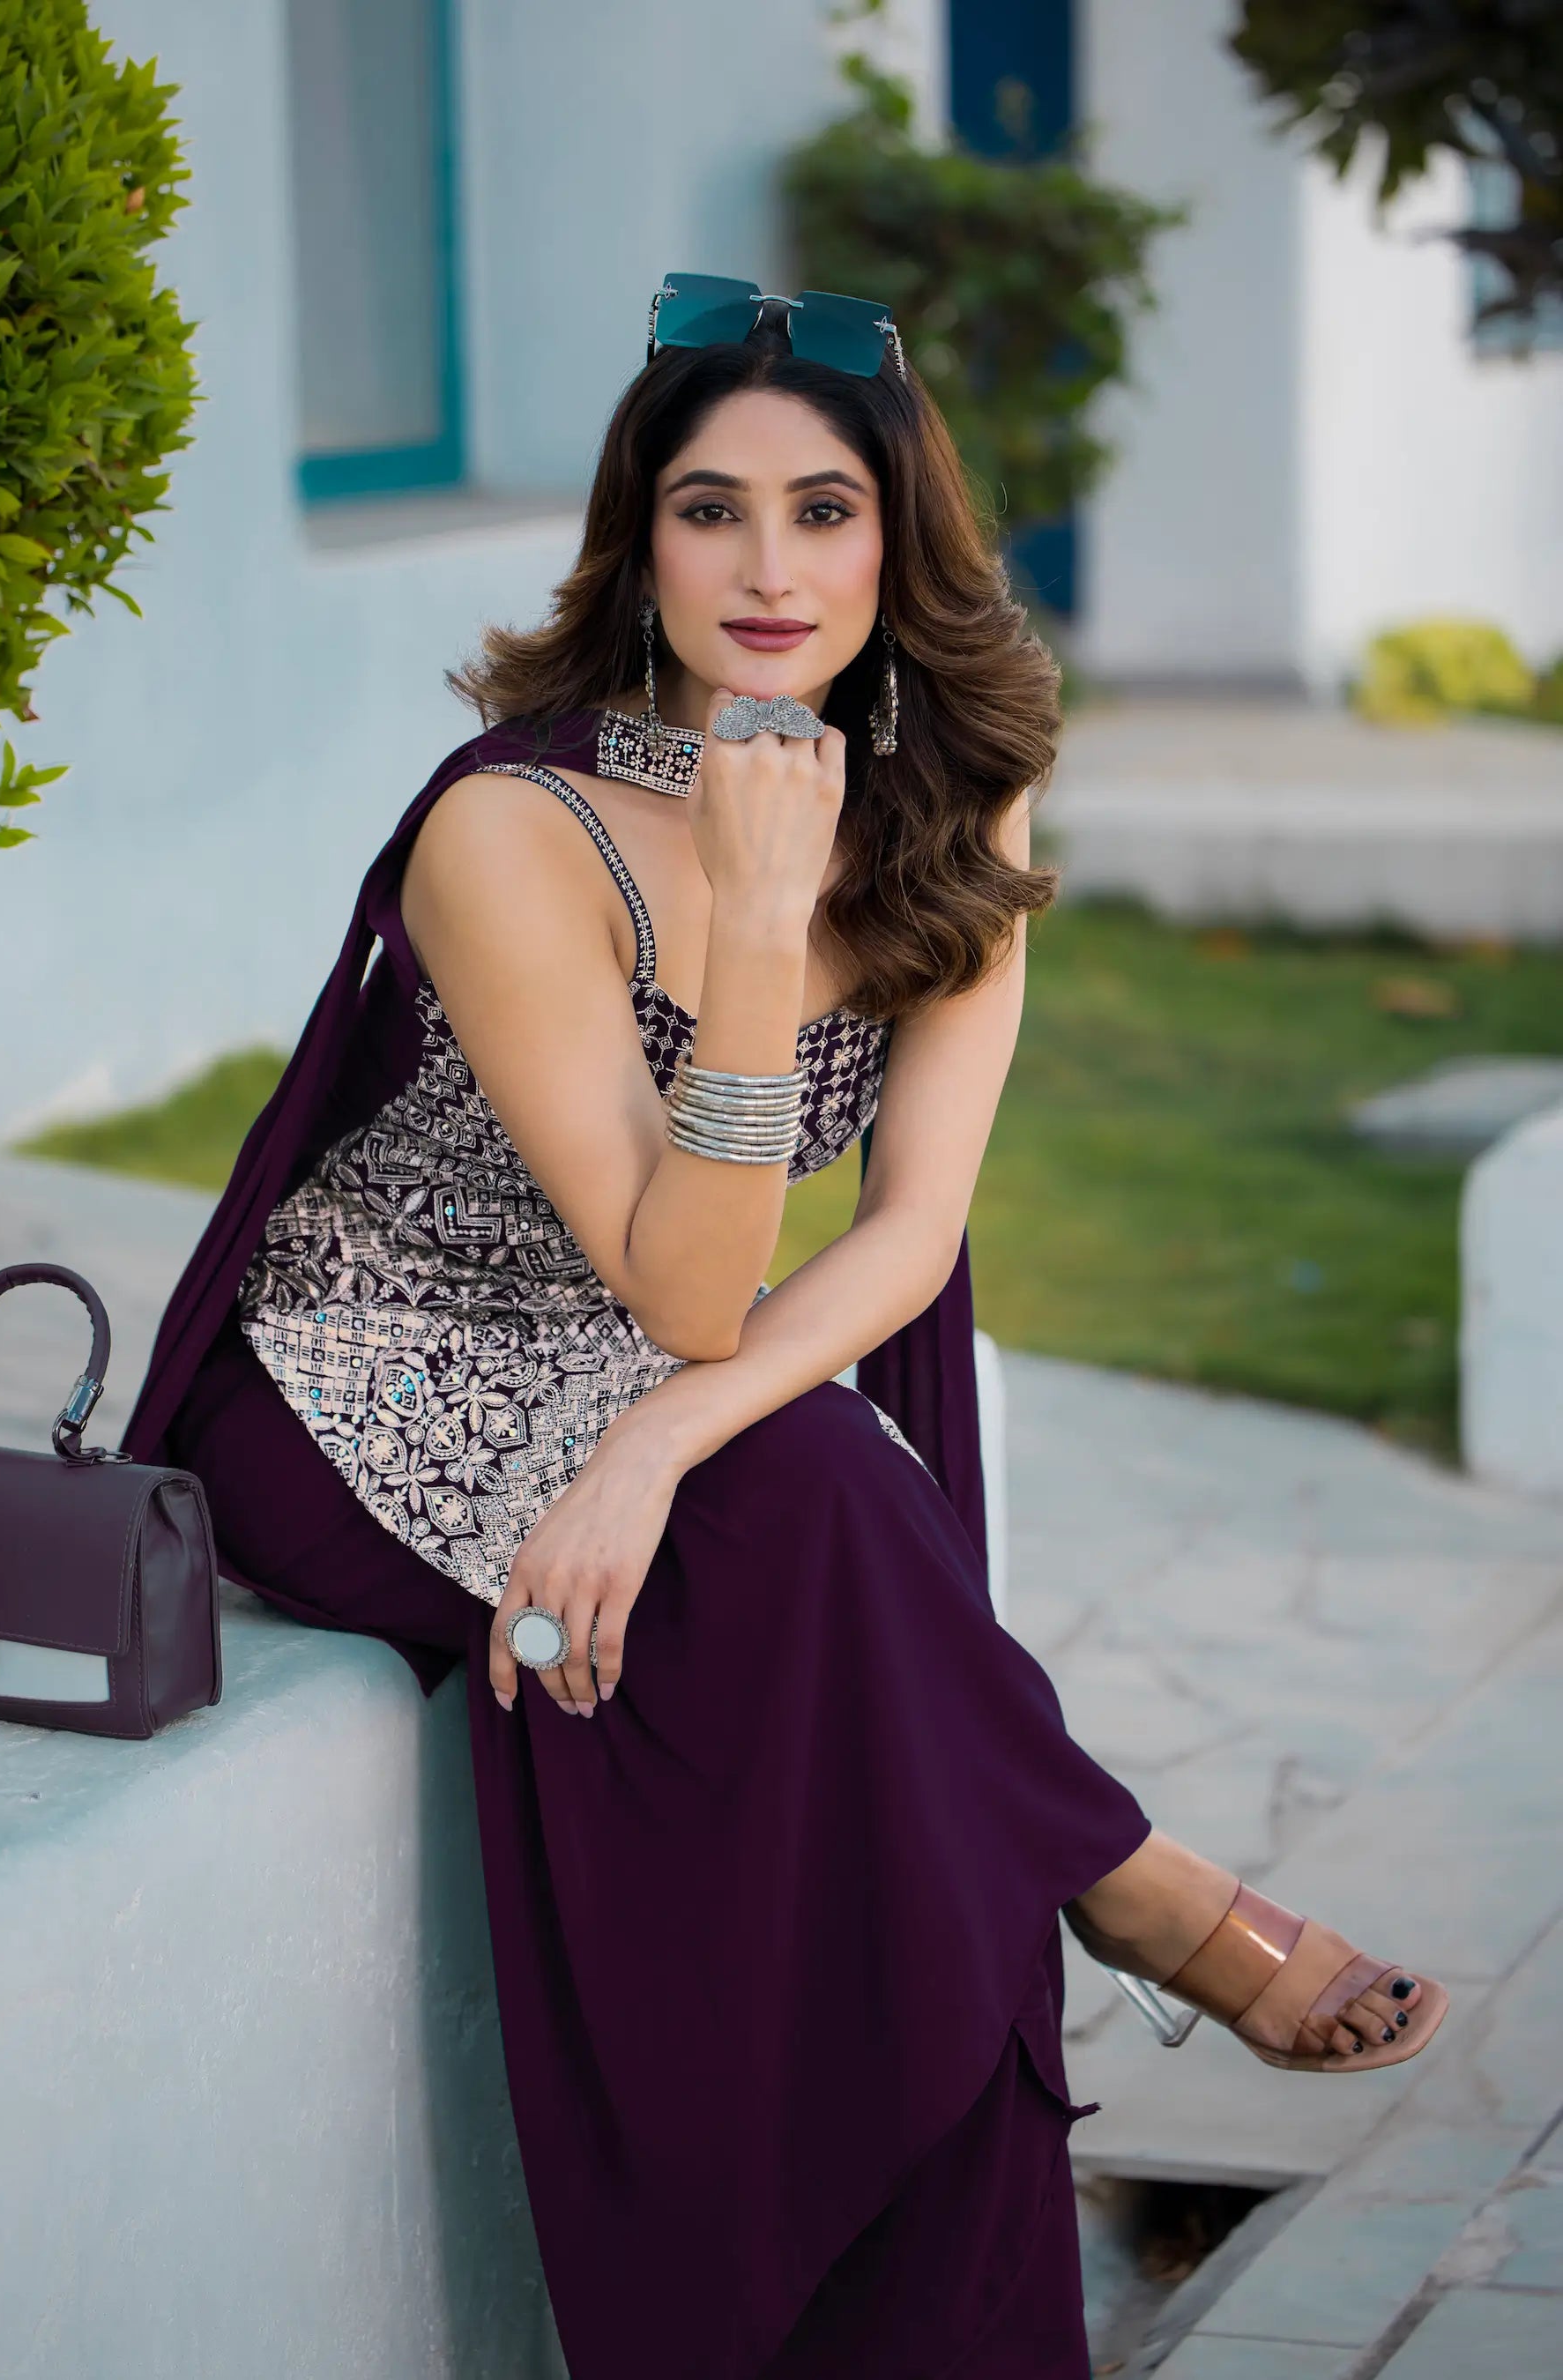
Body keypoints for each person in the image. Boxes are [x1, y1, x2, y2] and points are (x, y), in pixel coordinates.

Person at [125, 279, 1448, 2380]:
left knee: (832, 1547)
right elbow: (680, 1279)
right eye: (709, 510)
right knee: (836, 1510)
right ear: (636, 541)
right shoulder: (514, 827)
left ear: (896, 543)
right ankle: (1130, 1885)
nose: (767, 570)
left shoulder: (964, 790)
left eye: (824, 513)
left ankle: (967, 2196)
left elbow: (910, 1230)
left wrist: (654, 1446)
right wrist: (752, 917)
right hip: (366, 1371)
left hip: (662, 1375)